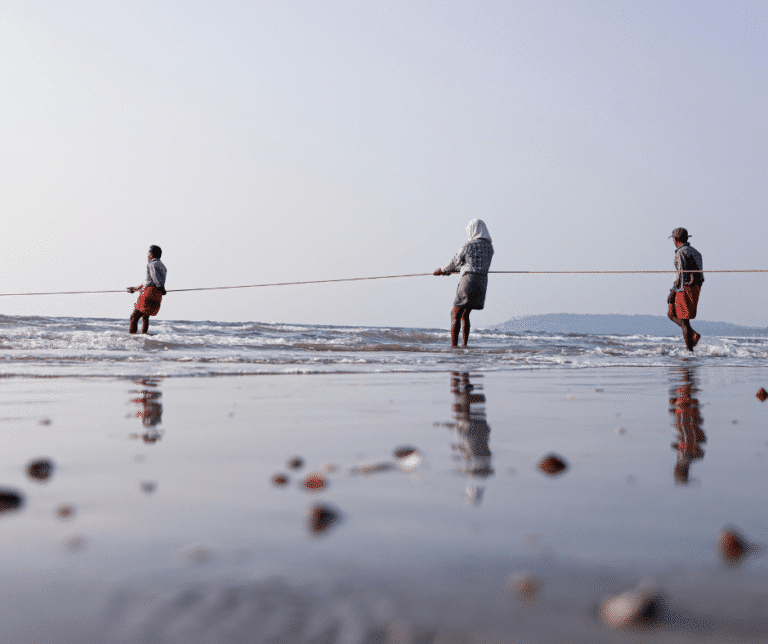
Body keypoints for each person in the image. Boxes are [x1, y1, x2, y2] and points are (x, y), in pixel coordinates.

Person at [434, 219, 494, 346]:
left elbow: (455, 261)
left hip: (468, 281)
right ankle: (464, 345)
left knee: (455, 312)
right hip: (482, 281)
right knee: (465, 313)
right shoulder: (490, 248)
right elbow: (472, 264)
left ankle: (454, 346)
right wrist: (454, 270)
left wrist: (442, 270)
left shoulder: (468, 246)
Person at [667, 228, 703, 351]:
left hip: (685, 287)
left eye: (673, 238)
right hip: (695, 287)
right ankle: (693, 335)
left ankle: (689, 353)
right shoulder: (696, 252)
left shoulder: (681, 253)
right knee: (671, 313)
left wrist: (673, 291)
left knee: (684, 320)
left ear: (676, 239)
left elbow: (682, 274)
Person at [128, 245, 167, 334]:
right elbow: (150, 280)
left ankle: (132, 340)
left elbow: (155, 279)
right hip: (157, 295)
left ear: (151, 254)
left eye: (148, 253)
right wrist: (135, 289)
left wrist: (160, 287)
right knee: (145, 317)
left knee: (134, 317)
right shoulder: (163, 266)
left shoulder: (151, 264)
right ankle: (144, 338)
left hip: (149, 293)